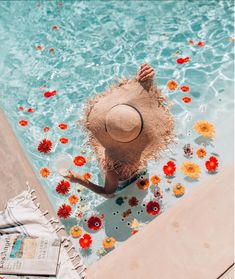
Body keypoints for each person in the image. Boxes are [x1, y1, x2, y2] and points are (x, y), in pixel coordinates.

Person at [65, 64, 174, 198]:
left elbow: (108, 193)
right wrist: (144, 80)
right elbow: (145, 95)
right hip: (140, 167)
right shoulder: (142, 144)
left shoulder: (111, 168)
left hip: (123, 183)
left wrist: (78, 179)